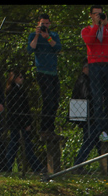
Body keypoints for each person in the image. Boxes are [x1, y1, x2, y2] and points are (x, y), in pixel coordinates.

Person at [81, 5, 108, 143]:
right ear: (91, 15)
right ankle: (101, 130)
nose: (98, 16)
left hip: (107, 64)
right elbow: (89, 41)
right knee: (98, 99)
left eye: (100, 14)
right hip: (95, 65)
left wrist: (106, 23)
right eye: (96, 14)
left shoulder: (107, 28)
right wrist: (96, 26)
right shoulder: (87, 30)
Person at [27, 13, 62, 141]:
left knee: (55, 100)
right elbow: (30, 49)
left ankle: (50, 129)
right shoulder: (33, 35)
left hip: (53, 72)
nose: (45, 26)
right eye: (43, 24)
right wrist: (37, 35)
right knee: (47, 99)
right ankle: (43, 129)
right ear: (38, 24)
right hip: (42, 71)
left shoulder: (53, 35)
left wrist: (47, 38)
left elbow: (58, 47)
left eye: (47, 24)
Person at [3, 70, 43, 173]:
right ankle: (37, 167)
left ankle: (7, 167)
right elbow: (20, 109)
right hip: (19, 123)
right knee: (24, 145)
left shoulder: (16, 90)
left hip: (17, 122)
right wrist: (26, 123)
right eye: (20, 77)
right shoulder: (15, 92)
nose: (22, 79)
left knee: (15, 145)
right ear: (15, 78)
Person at [70, 62, 100, 170]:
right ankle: (78, 164)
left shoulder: (85, 80)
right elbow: (86, 95)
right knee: (90, 138)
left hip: (87, 114)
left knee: (96, 139)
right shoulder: (84, 80)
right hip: (88, 114)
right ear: (85, 68)